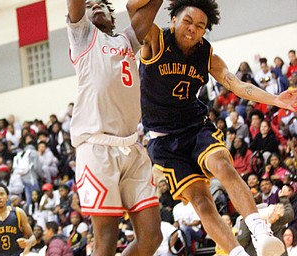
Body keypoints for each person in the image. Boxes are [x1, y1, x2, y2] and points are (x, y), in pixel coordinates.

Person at [138, 0, 297, 255]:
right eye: (188, 21)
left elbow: (235, 84)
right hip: (164, 140)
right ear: (174, 20)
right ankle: (236, 252)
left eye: (200, 26)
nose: (193, 29)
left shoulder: (206, 54)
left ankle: (259, 231)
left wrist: (275, 99)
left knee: (222, 165)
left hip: (195, 126)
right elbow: (134, 9)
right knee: (201, 201)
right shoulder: (155, 40)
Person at [66, 0, 163, 255]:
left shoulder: (127, 41)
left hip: (131, 147)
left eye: (102, 5)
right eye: (90, 5)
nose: (96, 6)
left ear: (112, 15)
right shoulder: (83, 36)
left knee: (152, 236)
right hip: (97, 148)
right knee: (106, 240)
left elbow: (153, 6)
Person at [0, 182, 36, 256]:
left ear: (7, 197)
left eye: (2, 194)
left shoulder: (18, 213)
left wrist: (29, 241)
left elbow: (33, 237)